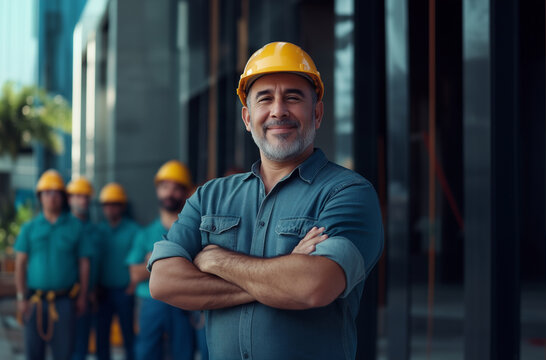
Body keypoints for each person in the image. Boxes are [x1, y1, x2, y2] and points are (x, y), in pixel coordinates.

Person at [148, 42, 384, 359]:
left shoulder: (347, 193)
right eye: (265, 99)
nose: (278, 110)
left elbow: (314, 286)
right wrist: (282, 279)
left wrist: (217, 262)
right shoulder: (209, 197)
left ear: (317, 112)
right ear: (247, 118)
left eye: (293, 97)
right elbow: (164, 282)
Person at [14, 169, 91, 360]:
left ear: (63, 196)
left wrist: (82, 296)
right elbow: (20, 264)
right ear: (40, 197)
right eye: (47, 192)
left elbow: (84, 264)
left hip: (65, 302)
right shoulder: (29, 228)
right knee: (33, 354)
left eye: (56, 192)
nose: (52, 197)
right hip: (34, 301)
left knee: (64, 354)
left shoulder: (75, 226)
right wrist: (21, 297)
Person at [127, 160, 197, 360]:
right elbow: (134, 274)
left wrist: (154, 262)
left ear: (186, 192)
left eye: (176, 188)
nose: (170, 193)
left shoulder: (194, 232)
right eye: (165, 187)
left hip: (183, 303)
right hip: (151, 303)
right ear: (158, 191)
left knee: (184, 354)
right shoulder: (145, 233)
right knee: (146, 354)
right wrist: (176, 262)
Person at [96, 182, 139, 360]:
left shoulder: (134, 230)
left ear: (122, 206)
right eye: (106, 205)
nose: (110, 209)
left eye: (114, 204)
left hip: (124, 291)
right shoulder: (98, 230)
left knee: (128, 335)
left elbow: (139, 258)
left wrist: (134, 284)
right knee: (101, 336)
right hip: (102, 291)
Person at [68, 177, 104, 360]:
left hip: (88, 295)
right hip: (65, 296)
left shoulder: (95, 231)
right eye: (78, 196)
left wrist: (92, 290)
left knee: (81, 345)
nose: (82, 200)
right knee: (65, 345)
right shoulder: (64, 228)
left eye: (85, 196)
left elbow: (96, 264)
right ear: (69, 199)